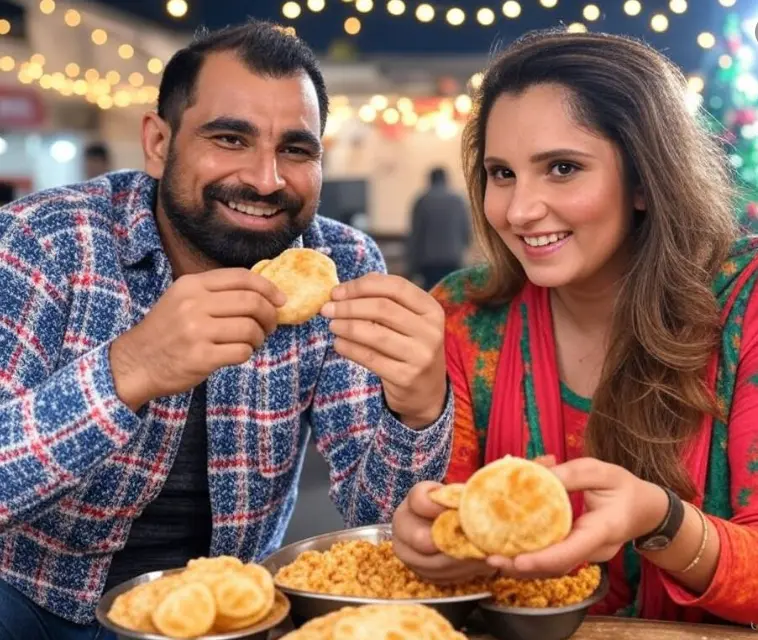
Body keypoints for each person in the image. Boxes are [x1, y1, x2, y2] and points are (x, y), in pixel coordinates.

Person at [0, 20, 452, 639]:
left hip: (230, 610)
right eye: (230, 138)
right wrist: (127, 369)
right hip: (30, 601)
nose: (266, 180)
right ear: (159, 144)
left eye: (296, 149)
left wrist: (419, 410)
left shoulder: (342, 266)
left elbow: (379, 518)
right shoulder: (43, 243)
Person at [392, 29, 758, 625]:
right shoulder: (462, 317)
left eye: (562, 168)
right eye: (501, 173)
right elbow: (448, 530)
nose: (518, 210)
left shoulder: (746, 302)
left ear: (645, 179)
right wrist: (427, 540)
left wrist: (661, 521)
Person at [407, 167, 471, 290]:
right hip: (453, 257)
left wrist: (412, 267)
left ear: (430, 180)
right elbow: (466, 231)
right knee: (452, 295)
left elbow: (415, 235)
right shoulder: (457, 200)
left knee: (431, 296)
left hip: (429, 260)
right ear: (446, 179)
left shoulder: (422, 201)